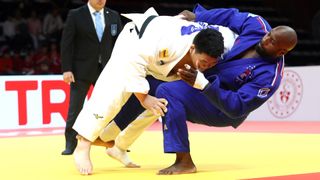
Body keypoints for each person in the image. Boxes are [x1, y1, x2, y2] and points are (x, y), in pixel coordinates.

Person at [96, 4, 298, 175]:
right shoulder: (259, 26)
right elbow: (230, 16)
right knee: (150, 84)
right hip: (203, 81)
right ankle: (109, 139)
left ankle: (184, 161)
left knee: (168, 93)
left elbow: (237, 107)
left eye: (271, 42)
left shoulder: (270, 76)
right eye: (269, 35)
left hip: (221, 108)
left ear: (281, 51)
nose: (265, 39)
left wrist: (203, 85)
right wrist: (198, 16)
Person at [72, 7, 233, 175]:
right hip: (135, 43)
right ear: (192, 48)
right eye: (203, 62)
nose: (205, 67)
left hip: (161, 61)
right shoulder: (167, 43)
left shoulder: (225, 41)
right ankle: (83, 143)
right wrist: (143, 98)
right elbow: (134, 58)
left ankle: (119, 146)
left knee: (162, 103)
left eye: (210, 65)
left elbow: (233, 26)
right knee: (114, 86)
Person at [60, 0, 122, 155]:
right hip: (81, 70)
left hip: (108, 70)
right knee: (75, 108)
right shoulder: (75, 15)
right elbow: (67, 43)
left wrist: (121, 67)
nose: (101, 0)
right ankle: (71, 142)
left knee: (112, 107)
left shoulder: (113, 15)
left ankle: (115, 142)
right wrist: (67, 69)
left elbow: (121, 43)